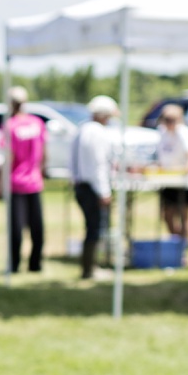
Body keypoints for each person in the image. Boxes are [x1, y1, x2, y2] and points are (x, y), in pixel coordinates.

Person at [70, 94, 118, 279]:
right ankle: (90, 269)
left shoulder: (82, 129)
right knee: (95, 228)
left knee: (92, 227)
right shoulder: (97, 132)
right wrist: (104, 191)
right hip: (92, 187)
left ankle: (90, 266)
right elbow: (98, 164)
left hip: (83, 185)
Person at [1, 87, 46, 272]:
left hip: (16, 182)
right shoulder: (36, 123)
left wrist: (0, 181)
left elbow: (8, 156)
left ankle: (15, 264)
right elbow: (44, 153)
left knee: (16, 229)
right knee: (37, 227)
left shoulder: (9, 125)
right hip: (34, 181)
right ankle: (35, 264)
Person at [154, 103, 188, 240]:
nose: (168, 123)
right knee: (167, 214)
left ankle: (182, 245)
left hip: (184, 181)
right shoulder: (163, 132)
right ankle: (176, 241)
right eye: (166, 119)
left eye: (172, 119)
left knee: (183, 214)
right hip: (168, 180)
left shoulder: (184, 132)